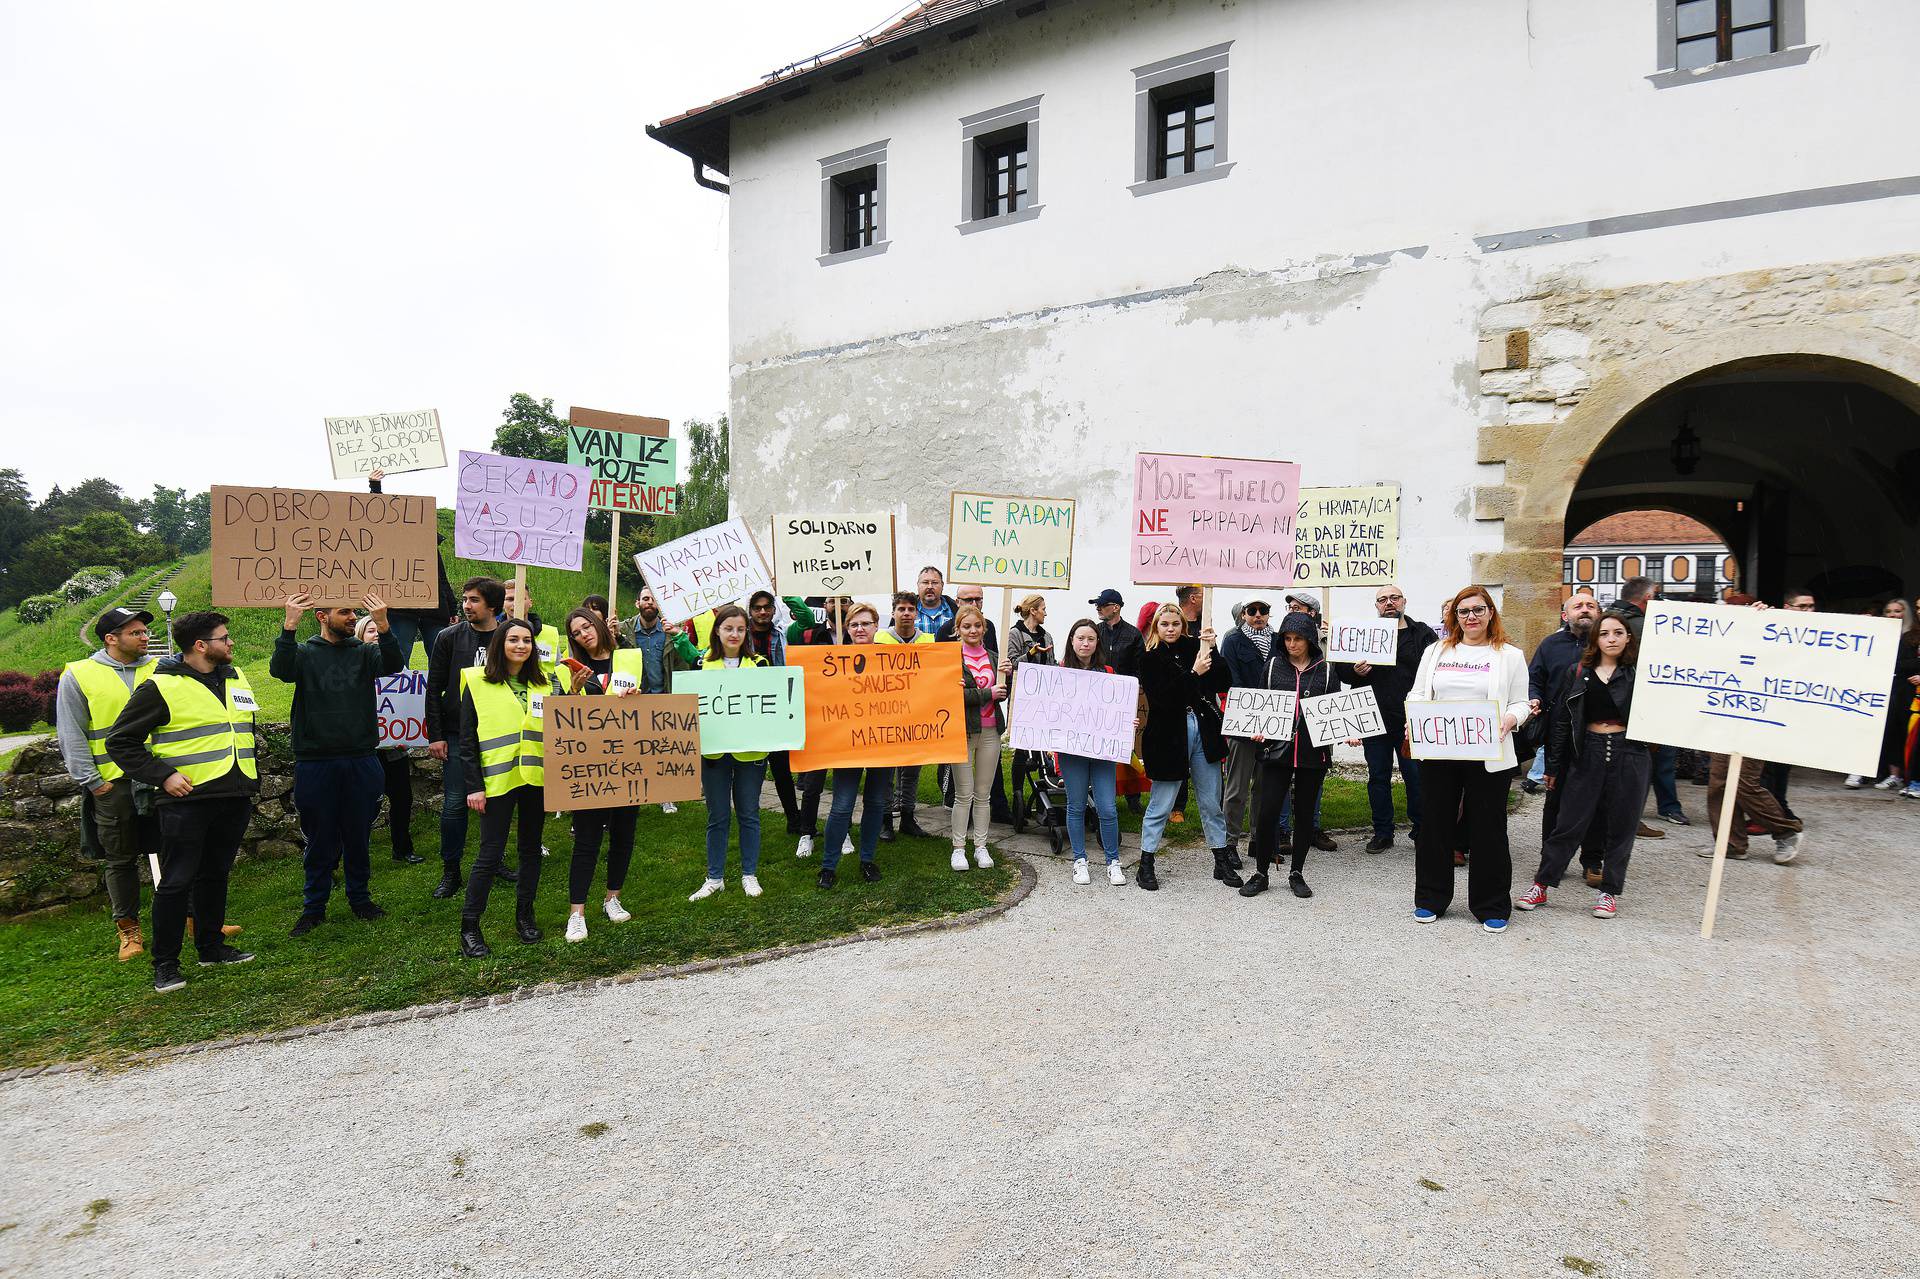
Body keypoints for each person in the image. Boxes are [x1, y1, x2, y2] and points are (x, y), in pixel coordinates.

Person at [106, 611, 259, 992]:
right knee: (176, 883)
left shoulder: (235, 676)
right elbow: (120, 742)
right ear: (200, 645)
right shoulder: (160, 686)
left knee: (215, 875)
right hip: (187, 801)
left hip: (235, 792)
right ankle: (166, 965)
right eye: (225, 638)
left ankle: (211, 947)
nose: (231, 643)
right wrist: (163, 776)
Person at [273, 589, 406, 937]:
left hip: (361, 758)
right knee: (319, 837)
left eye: (354, 613)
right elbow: (280, 670)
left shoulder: (364, 653)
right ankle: (313, 907)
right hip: (315, 761)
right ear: (322, 615)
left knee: (358, 834)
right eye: (345, 612)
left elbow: (393, 665)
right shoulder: (303, 654)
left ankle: (360, 899)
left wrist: (383, 624)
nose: (352, 618)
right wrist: (289, 626)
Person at [1407, 586, 1531, 933]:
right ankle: (1431, 899)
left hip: (1489, 752)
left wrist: (1513, 718)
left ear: (1491, 613)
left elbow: (1521, 701)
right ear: (1454, 617)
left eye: (1478, 609)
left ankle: (1491, 904)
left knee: (1489, 828)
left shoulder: (1509, 655)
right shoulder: (1435, 652)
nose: (1471, 617)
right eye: (1464, 611)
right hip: (1440, 751)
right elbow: (1418, 693)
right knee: (1435, 825)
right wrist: (1413, 716)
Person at [1519, 614, 1645, 919]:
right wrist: (1553, 765)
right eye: (1604, 633)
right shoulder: (1580, 673)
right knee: (1568, 823)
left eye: (1618, 632)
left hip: (1630, 754)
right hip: (1587, 751)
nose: (1611, 638)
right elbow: (1563, 722)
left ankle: (1609, 892)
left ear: (1628, 637)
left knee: (1621, 826)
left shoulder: (1641, 673)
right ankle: (1542, 884)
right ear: (1596, 639)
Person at [56, 606, 160, 961]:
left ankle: (194, 918)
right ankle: (129, 931)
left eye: (146, 631)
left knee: (179, 848)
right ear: (110, 639)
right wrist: (94, 782)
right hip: (113, 784)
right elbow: (72, 733)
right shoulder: (79, 675)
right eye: (136, 632)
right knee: (120, 858)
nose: (145, 637)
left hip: (162, 778)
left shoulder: (161, 667)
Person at [1241, 612, 1355, 899]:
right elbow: (1260, 706)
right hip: (1276, 752)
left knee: (1305, 815)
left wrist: (1346, 731)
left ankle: (1297, 872)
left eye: (1298, 639)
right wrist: (1258, 729)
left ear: (1309, 641)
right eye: (1288, 639)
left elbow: (1334, 710)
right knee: (1266, 814)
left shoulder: (1326, 671)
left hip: (1311, 753)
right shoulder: (1271, 668)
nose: (1292, 645)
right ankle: (1261, 872)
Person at [457, 618, 551, 956]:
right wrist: (474, 786)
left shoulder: (544, 684)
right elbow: (466, 740)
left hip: (535, 781)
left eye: (527, 640)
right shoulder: (477, 682)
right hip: (496, 782)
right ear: (500, 643)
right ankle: (470, 927)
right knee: (490, 854)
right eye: (513, 639)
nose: (521, 646)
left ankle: (525, 915)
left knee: (530, 850)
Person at [425, 576, 517, 898]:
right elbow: (433, 687)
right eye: (464, 599)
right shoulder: (448, 638)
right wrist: (435, 734)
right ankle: (451, 871)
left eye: (474, 600)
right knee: (454, 804)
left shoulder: (508, 638)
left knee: (498, 802)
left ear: (492, 605)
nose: (466, 605)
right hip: (455, 733)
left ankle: (495, 861)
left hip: (498, 733)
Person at [1135, 603, 1234, 891]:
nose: (1170, 629)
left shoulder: (1197, 648)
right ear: (1156, 627)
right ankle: (1146, 862)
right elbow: (1164, 698)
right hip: (1169, 735)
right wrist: (1193, 673)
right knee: (1161, 802)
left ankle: (1220, 858)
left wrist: (1212, 650)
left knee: (1211, 800)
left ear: (1183, 626)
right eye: (1164, 624)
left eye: (1175, 624)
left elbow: (1222, 681)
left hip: (1203, 729)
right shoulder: (1149, 658)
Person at [556, 607, 640, 942]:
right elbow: (563, 716)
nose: (582, 634)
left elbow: (646, 705)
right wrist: (574, 692)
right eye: (575, 632)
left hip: (628, 761)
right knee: (587, 838)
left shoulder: (629, 659)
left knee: (624, 833)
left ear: (599, 625)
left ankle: (612, 898)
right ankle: (576, 914)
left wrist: (636, 697)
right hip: (590, 765)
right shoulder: (569, 669)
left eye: (586, 626)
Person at [1525, 595, 1623, 881]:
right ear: (1565, 615)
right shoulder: (1550, 645)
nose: (1584, 610)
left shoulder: (1610, 645)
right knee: (1555, 800)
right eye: (1578, 606)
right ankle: (1550, 858)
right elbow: (1535, 677)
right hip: (1561, 733)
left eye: (1590, 606)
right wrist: (1534, 698)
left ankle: (1593, 860)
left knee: (1599, 801)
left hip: (1598, 735)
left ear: (1600, 613)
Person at [1338, 584, 1436, 853]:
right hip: (1374, 719)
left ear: (1404, 601)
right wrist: (1355, 670)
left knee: (1415, 777)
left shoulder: (1422, 634)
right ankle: (1382, 832)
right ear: (1377, 606)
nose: (1389, 602)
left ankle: (1420, 828)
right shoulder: (1362, 635)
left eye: (1394, 597)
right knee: (1378, 777)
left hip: (1411, 720)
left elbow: (1434, 672)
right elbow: (1341, 671)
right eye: (1382, 599)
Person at [690, 604, 772, 900]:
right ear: (717, 631)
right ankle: (715, 877)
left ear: (746, 631)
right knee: (718, 815)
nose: (734, 634)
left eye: (740, 628)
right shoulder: (702, 665)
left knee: (749, 814)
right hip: (714, 754)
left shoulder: (760, 665)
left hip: (750, 754)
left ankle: (749, 874)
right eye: (728, 628)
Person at [817, 602, 892, 889]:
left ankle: (867, 859)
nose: (860, 629)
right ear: (846, 629)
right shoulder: (833, 662)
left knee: (875, 802)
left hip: (883, 743)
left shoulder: (889, 659)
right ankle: (828, 865)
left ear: (876, 627)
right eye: (854, 625)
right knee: (842, 805)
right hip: (846, 744)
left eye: (866, 624)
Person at [1606, 576, 1688, 827]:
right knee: (1657, 758)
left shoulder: (1605, 619)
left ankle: (1631, 813)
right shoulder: (1649, 625)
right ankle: (1661, 809)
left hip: (1616, 704)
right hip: (1647, 702)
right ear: (1648, 598)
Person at [1055, 619, 1128, 885]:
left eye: (1091, 639)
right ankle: (1079, 860)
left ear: (1098, 643)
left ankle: (1113, 860)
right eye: (1080, 638)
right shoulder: (1059, 672)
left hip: (1101, 750)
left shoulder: (1107, 672)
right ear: (1071, 641)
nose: (1085, 644)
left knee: (1107, 807)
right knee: (1075, 805)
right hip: (1072, 750)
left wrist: (1126, 720)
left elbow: (1117, 708)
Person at [614, 585, 697, 815]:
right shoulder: (624, 630)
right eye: (646, 598)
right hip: (634, 699)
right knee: (633, 751)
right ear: (637, 603)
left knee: (662, 752)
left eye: (654, 600)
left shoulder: (671, 632)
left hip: (662, 698)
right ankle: (633, 794)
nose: (650, 603)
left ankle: (665, 797)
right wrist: (611, 634)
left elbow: (684, 665)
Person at [787, 596, 855, 860]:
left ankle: (843, 829)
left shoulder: (856, 636)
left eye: (844, 600)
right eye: (831, 600)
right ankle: (807, 832)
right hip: (817, 720)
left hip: (848, 719)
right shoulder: (810, 635)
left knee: (843, 781)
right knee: (813, 782)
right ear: (823, 606)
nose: (837, 605)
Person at [366, 469, 458, 663]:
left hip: (433, 610)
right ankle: (395, 693)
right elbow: (380, 519)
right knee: (398, 658)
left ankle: (437, 693)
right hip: (403, 609)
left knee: (441, 658)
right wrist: (375, 487)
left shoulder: (429, 545)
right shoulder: (393, 541)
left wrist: (452, 608)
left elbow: (441, 578)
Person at [354, 614, 424, 866]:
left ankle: (402, 849)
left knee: (402, 799)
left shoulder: (398, 670)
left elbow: (409, 704)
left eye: (378, 630)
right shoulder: (353, 670)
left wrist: (407, 733)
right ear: (359, 635)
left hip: (394, 748)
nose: (374, 634)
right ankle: (355, 851)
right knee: (361, 804)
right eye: (369, 630)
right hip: (364, 750)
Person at [1217, 597, 1275, 865]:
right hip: (1244, 721)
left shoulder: (1278, 639)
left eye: (1263, 611)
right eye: (1252, 611)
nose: (1258, 615)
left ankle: (1258, 840)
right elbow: (1232, 680)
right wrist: (1254, 716)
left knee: (1264, 787)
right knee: (1237, 787)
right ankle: (1230, 842)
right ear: (1243, 615)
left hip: (1274, 723)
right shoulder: (1232, 640)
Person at [949, 604, 1006, 873]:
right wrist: (988, 694)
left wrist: (1009, 674)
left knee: (983, 794)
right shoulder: (951, 658)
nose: (973, 630)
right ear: (958, 629)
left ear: (984, 628)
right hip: (962, 732)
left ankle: (981, 846)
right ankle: (958, 849)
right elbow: (954, 697)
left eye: (977, 625)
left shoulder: (995, 657)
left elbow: (1003, 692)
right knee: (964, 794)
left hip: (991, 731)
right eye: (966, 626)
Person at [878, 591, 937, 840]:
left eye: (910, 609)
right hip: (887, 715)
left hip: (916, 715)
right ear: (893, 613)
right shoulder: (880, 639)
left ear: (916, 613)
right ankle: (885, 820)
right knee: (887, 769)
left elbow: (934, 676)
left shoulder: (928, 641)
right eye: (901, 609)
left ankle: (907, 817)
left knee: (911, 770)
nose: (906, 613)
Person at [1090, 589, 1142, 677]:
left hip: (1124, 687)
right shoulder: (1095, 631)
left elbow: (1140, 668)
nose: (1098, 608)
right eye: (1096, 605)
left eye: (1102, 605)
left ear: (1116, 607)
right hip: (1097, 686)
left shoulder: (1134, 634)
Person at [914, 566, 956, 637]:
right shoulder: (906, 610)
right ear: (918, 585)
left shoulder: (955, 609)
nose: (930, 586)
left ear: (942, 585)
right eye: (925, 582)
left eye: (935, 582)